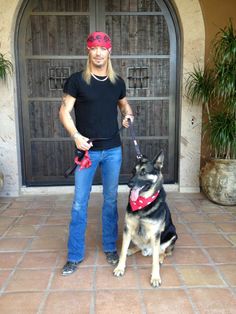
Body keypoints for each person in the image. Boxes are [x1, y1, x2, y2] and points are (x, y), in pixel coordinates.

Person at [59, 31, 134, 276]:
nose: (98, 53)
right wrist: (75, 136)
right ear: (88, 51)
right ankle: (74, 255)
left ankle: (111, 248)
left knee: (111, 201)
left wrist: (127, 115)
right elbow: (64, 112)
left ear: (109, 51)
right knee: (80, 204)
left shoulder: (117, 82)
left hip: (113, 150)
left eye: (103, 48)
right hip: (87, 152)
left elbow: (124, 103)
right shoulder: (77, 81)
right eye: (94, 48)